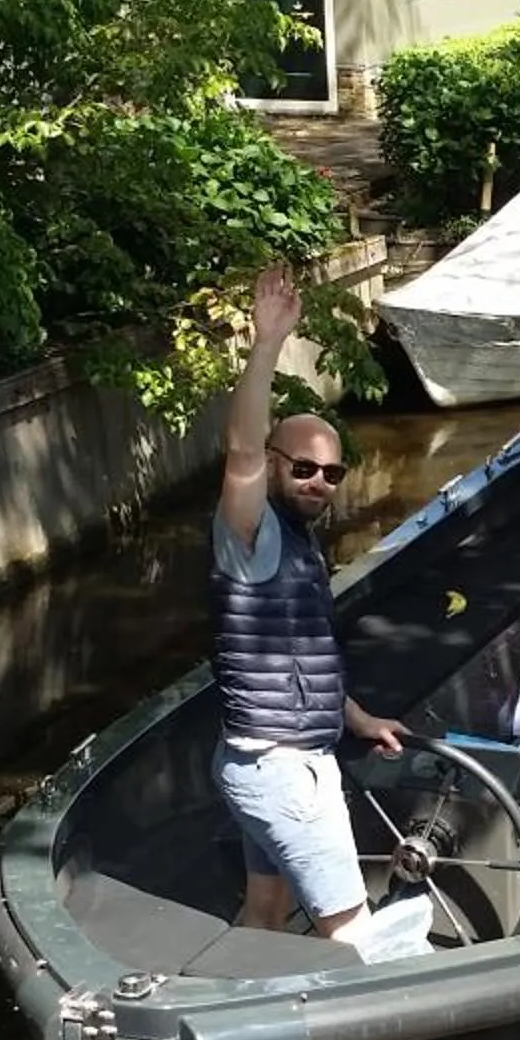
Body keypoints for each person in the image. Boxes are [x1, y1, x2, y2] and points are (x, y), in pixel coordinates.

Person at [212, 265, 409, 938]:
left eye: (331, 472)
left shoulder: (298, 544)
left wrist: (356, 717)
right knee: (354, 935)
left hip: (260, 762)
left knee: (265, 912)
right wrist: (267, 342)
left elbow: (305, 655)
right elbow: (240, 450)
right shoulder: (248, 535)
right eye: (302, 468)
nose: (318, 482)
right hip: (283, 772)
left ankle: (234, 1000)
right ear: (273, 464)